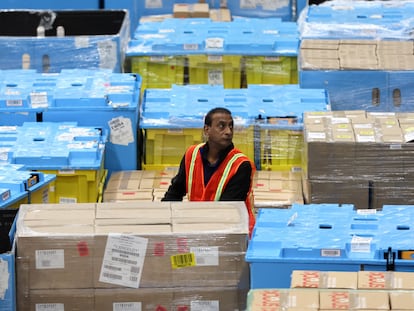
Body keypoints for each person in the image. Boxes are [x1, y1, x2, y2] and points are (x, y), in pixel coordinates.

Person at [162, 107, 256, 235]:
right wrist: (162, 222)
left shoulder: (241, 165)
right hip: (199, 228)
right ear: (207, 130)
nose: (228, 131)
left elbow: (227, 211)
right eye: (221, 126)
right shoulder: (192, 154)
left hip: (232, 232)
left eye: (231, 126)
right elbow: (175, 192)